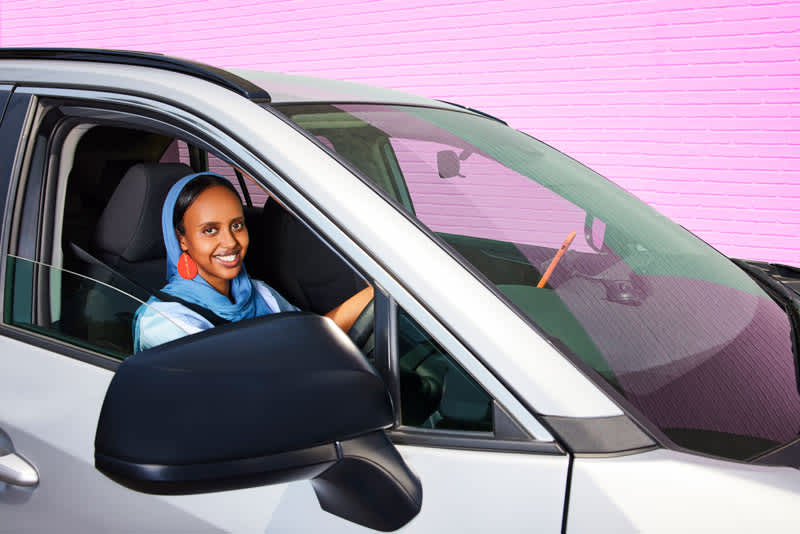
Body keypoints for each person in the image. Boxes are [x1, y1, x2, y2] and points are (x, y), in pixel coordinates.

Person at [133, 172, 373, 352]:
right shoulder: (164, 322)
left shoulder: (260, 293)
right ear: (182, 239)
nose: (230, 242)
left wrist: (381, 290)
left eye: (237, 225)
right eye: (210, 230)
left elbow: (311, 335)